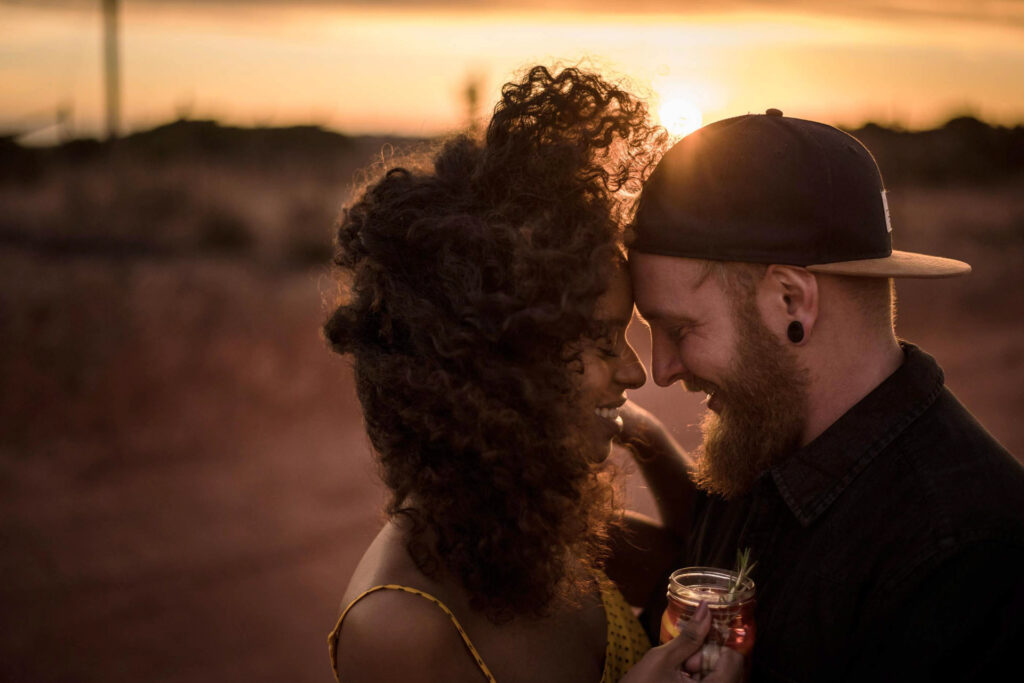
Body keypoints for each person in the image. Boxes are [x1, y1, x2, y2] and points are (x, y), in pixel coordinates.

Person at [322, 66, 742, 682]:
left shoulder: (538, 529)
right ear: (498, 366)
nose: (635, 369)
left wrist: (636, 427)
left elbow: (697, 559)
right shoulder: (397, 626)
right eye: (602, 341)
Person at [626, 108, 1024, 680]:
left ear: (791, 301)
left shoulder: (970, 556)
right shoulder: (757, 442)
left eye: (681, 330)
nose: (660, 370)